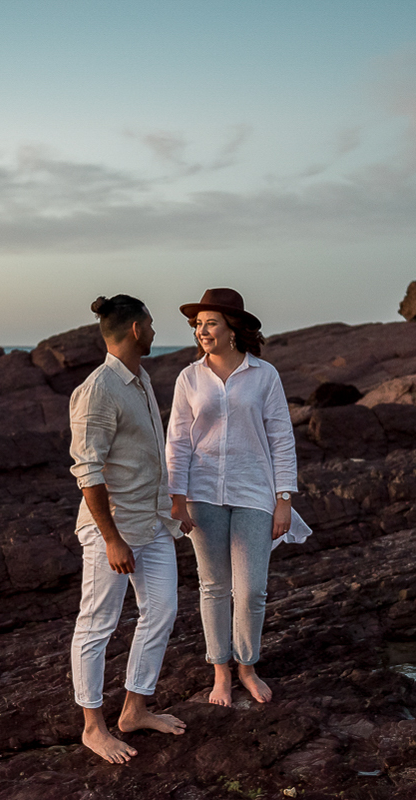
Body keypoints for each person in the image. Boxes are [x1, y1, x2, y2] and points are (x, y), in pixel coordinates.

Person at [166, 288, 310, 707]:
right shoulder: (189, 378)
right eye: (197, 324)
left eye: (210, 322)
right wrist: (176, 496)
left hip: (254, 492)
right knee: (213, 586)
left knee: (251, 590)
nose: (202, 330)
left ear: (233, 329)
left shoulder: (264, 375)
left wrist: (284, 498)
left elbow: (282, 437)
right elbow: (177, 440)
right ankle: (221, 672)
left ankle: (247, 665)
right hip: (202, 492)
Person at [69, 294, 186, 764]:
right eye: (152, 325)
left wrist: (173, 504)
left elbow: (150, 456)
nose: (156, 333)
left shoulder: (139, 380)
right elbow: (87, 471)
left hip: (154, 522)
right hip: (111, 531)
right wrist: (112, 537)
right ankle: (93, 727)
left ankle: (134, 709)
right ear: (136, 329)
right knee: (97, 625)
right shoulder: (99, 389)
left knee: (161, 610)